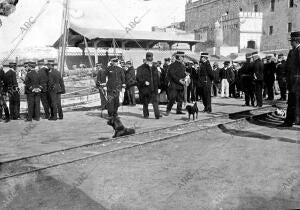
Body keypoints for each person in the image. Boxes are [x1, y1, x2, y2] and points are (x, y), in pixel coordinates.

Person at [279, 31, 300, 127]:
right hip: (292, 82)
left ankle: (293, 120)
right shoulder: (292, 51)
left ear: (296, 41)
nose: (291, 43)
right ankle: (289, 121)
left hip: (297, 82)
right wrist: (284, 76)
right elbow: (287, 65)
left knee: (296, 101)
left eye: (292, 41)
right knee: (291, 101)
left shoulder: (299, 51)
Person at [136, 52, 161, 119]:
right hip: (146, 89)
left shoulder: (154, 68)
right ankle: (146, 115)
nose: (150, 59)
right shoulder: (141, 68)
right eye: (148, 57)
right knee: (145, 103)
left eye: (151, 57)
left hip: (154, 88)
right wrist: (144, 82)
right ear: (146, 58)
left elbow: (157, 78)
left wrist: (159, 87)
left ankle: (157, 115)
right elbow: (138, 78)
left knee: (155, 102)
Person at [165, 51, 186, 116]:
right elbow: (172, 75)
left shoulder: (183, 65)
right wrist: (179, 80)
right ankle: (168, 110)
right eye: (183, 57)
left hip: (181, 85)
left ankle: (179, 110)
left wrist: (185, 77)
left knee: (180, 99)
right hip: (174, 85)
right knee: (172, 99)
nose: (183, 58)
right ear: (179, 57)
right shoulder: (172, 65)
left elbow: (183, 74)